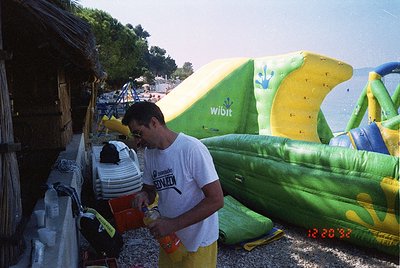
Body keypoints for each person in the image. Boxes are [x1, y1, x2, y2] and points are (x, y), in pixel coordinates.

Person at [122, 102, 224, 267]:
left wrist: (173, 224)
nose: (138, 142)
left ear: (154, 123)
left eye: (139, 133)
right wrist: (143, 195)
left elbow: (216, 200)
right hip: (169, 239)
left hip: (198, 243)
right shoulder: (150, 153)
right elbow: (149, 190)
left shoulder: (191, 149)